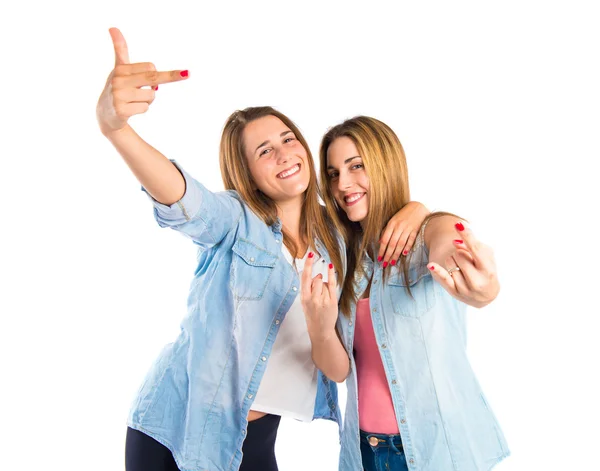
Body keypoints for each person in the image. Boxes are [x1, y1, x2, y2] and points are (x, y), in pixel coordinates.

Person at [96, 29, 430, 471]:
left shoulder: (338, 239)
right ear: (248, 174)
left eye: (289, 139)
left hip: (254, 438)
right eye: (264, 150)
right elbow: (185, 199)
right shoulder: (236, 221)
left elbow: (340, 361)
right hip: (175, 424)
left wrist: (417, 208)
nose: (284, 154)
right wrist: (117, 130)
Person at [301, 116, 510, 470]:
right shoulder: (342, 260)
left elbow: (447, 238)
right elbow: (339, 372)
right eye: (334, 173)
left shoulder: (423, 235)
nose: (343, 184)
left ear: (385, 166)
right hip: (364, 453)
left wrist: (481, 285)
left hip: (436, 453)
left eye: (356, 166)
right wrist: (319, 328)